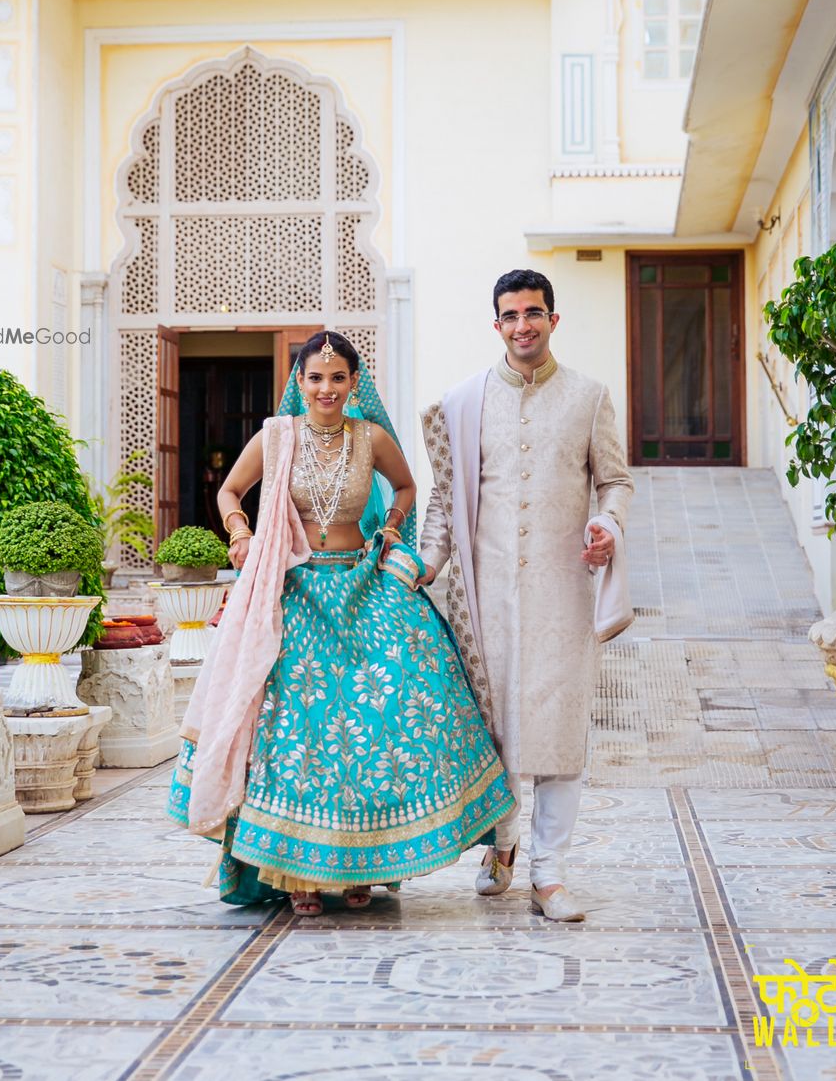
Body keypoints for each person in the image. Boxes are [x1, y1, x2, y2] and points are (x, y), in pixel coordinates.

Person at [168, 330, 515, 916]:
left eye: (337, 378)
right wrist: (241, 533)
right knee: (298, 729)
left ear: (355, 383)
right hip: (297, 591)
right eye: (314, 378)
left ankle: (367, 869)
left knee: (383, 714)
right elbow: (231, 490)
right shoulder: (276, 439)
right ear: (298, 383)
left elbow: (406, 485)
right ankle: (298, 875)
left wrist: (392, 527)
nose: (325, 389)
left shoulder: (371, 438)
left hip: (363, 586)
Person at [419, 270, 634, 920]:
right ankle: (503, 845)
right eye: (510, 315)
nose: (523, 325)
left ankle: (551, 872)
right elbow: (443, 499)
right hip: (484, 597)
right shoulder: (464, 401)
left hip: (562, 591)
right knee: (496, 733)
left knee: (559, 733)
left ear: (553, 319)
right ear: (496, 325)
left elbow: (616, 481)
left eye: (534, 313)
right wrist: (423, 565)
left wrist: (609, 526)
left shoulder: (589, 398)